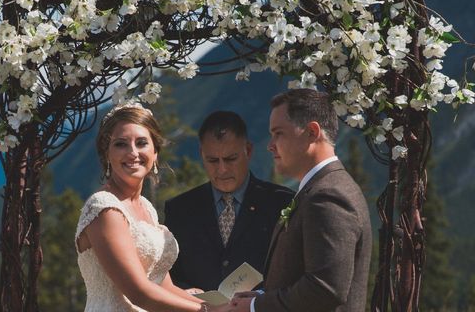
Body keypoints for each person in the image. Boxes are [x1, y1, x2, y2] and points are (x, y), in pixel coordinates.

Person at [75, 102, 229, 312]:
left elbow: (160, 284)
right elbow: (139, 293)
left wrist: (220, 306)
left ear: (155, 152)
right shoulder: (105, 208)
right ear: (106, 152)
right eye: (121, 144)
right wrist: (207, 311)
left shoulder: (146, 208)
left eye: (141, 143)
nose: (132, 153)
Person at [228, 89, 372, 312]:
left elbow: (325, 289)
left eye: (278, 133)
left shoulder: (329, 195)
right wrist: (261, 294)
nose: (270, 145)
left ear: (312, 132)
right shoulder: (320, 189)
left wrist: (256, 306)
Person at [164, 111, 294, 291]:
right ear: (201, 154)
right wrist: (186, 293)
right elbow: (169, 275)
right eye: (212, 160)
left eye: (231, 159)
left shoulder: (282, 202)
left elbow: (295, 272)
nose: (222, 169)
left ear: (248, 150)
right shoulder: (179, 209)